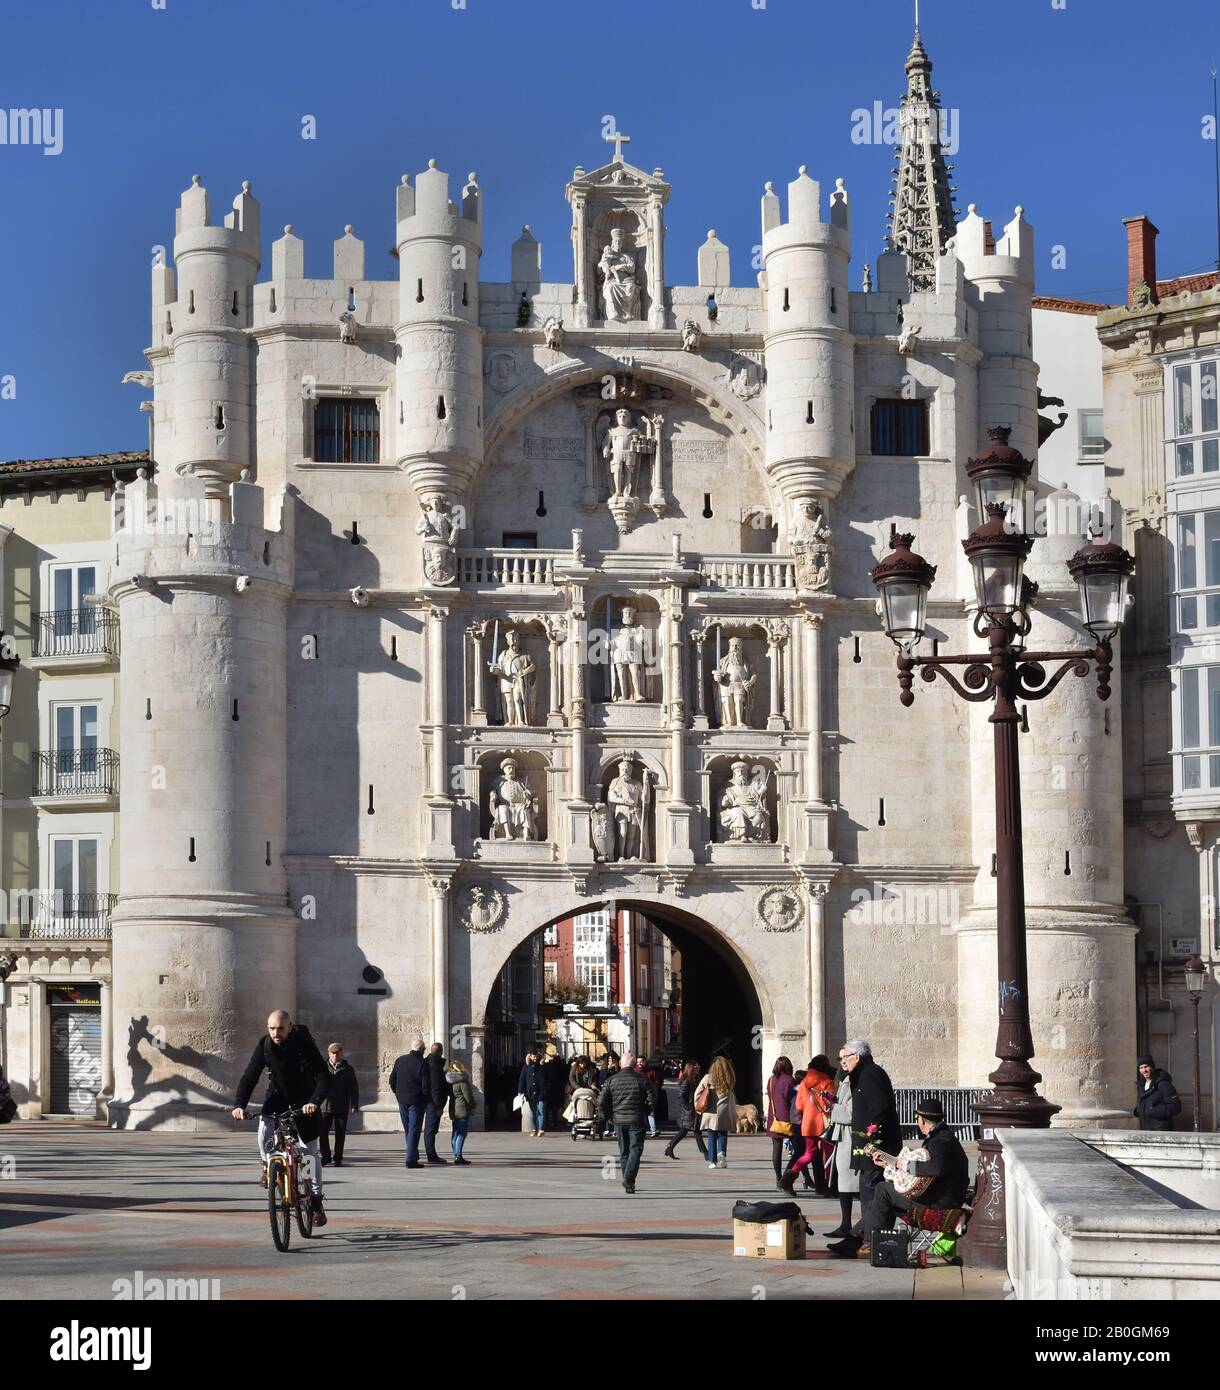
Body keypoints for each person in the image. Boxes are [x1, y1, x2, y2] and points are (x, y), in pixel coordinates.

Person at [232, 1010, 329, 1226]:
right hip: (277, 1096)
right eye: (272, 1028)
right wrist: (239, 1105)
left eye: (280, 1028)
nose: (276, 1033)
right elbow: (250, 1075)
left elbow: (323, 1075)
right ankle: (267, 1165)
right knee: (264, 1127)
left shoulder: (303, 1043)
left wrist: (314, 1101)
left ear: (290, 1027)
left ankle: (315, 1200)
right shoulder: (265, 1045)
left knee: (309, 1154)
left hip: (305, 1100)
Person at [827, 1040, 901, 1258]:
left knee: (871, 1192)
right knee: (872, 1193)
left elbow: (880, 1109)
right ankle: (861, 1239)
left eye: (844, 1058)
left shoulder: (871, 1075)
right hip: (868, 1147)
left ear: (857, 1057)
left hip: (876, 1149)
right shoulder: (862, 1074)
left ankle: (869, 1240)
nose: (841, 1063)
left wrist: (871, 1137)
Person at [866, 1097, 971, 1241]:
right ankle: (863, 1237)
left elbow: (935, 1169)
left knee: (883, 1190)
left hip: (941, 1203)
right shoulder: (943, 1136)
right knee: (888, 1194)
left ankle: (871, 1241)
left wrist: (904, 1165)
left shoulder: (940, 1141)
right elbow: (925, 1172)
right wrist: (888, 1164)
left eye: (917, 1118)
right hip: (944, 1197)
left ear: (922, 1121)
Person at [597, 1048, 653, 1193]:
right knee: (635, 1150)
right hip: (637, 1119)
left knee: (624, 1151)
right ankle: (629, 1180)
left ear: (621, 1064)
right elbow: (652, 1099)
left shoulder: (611, 1080)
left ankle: (628, 1180)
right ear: (634, 1065)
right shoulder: (642, 1079)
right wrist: (645, 1112)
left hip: (619, 1120)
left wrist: (607, 1116)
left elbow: (601, 1101)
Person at [783, 1055, 839, 1194]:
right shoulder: (827, 1081)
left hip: (808, 1123)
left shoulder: (804, 1082)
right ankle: (828, 1185)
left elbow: (799, 1105)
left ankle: (790, 1176)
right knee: (830, 1155)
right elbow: (831, 1106)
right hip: (825, 1125)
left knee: (809, 1153)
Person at [826, 1064, 858, 1238]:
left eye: (845, 1058)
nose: (842, 1062)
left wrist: (832, 1106)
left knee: (850, 1183)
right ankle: (846, 1223)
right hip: (843, 1138)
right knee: (844, 1182)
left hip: (850, 1137)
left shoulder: (854, 1082)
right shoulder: (845, 1081)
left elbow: (850, 1113)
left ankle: (851, 1225)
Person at [388, 1039, 428, 1168]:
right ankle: (411, 1160)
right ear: (422, 1050)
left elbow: (392, 1079)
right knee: (414, 1130)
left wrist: (397, 1092)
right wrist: (426, 1099)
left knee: (409, 1130)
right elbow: (426, 1086)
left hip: (402, 1100)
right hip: (416, 1101)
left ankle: (413, 1155)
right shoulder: (422, 1063)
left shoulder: (401, 1060)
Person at [319, 1041, 359, 1168]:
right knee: (322, 1133)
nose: (335, 1056)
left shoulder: (347, 1069)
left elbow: (353, 1088)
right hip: (325, 1106)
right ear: (329, 1053)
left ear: (341, 1053)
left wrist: (354, 1104)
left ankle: (338, 1158)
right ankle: (325, 1157)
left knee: (340, 1134)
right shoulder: (323, 1067)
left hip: (341, 1105)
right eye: (332, 1053)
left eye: (337, 1053)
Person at [695, 1055, 738, 1169]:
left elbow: (697, 1093)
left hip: (710, 1112)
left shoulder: (707, 1078)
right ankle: (722, 1153)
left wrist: (698, 1107)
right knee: (722, 1134)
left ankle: (712, 1161)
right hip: (723, 1111)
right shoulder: (729, 1079)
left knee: (711, 1135)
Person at [765, 1056, 799, 1190]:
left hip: (774, 1118)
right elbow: (792, 1100)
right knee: (798, 1149)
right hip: (788, 1118)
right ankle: (802, 1177)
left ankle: (778, 1178)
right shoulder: (790, 1080)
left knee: (776, 1149)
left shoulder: (771, 1080)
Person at [663, 1060, 706, 1158]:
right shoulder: (687, 1080)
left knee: (687, 1131)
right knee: (694, 1131)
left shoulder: (695, 1079)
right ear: (692, 1068)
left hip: (692, 1110)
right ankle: (706, 1153)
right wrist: (688, 1107)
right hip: (689, 1111)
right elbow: (681, 1095)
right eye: (696, 1066)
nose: (698, 1067)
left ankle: (670, 1148)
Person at [1134, 1054, 1182, 1131]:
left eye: (1146, 1066)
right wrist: (1138, 1110)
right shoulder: (1141, 1086)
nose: (1144, 1070)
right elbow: (1145, 1106)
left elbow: (1175, 1107)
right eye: (1141, 1068)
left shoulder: (1164, 1084)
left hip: (1161, 1130)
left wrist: (1152, 1110)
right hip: (1145, 1129)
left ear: (1152, 1067)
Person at [423, 1042, 450, 1164]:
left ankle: (430, 1153)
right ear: (441, 1051)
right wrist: (439, 1106)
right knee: (430, 1129)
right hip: (433, 1102)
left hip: (428, 1100)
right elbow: (435, 1087)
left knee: (430, 1129)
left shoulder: (428, 1062)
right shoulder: (434, 1065)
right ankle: (431, 1155)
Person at [447, 1058, 476, 1164]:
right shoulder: (462, 1082)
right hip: (462, 1109)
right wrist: (473, 1105)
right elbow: (468, 1097)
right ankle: (458, 1156)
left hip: (454, 1108)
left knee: (455, 1132)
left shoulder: (450, 1082)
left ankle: (456, 1153)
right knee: (461, 1133)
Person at [518, 1051, 548, 1137]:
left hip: (541, 1093)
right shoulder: (526, 1067)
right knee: (532, 1113)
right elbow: (522, 1080)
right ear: (530, 1057)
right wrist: (520, 1091)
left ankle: (541, 1129)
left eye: (536, 1056)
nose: (535, 1058)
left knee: (541, 1111)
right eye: (533, 1056)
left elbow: (548, 1079)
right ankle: (535, 1129)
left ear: (539, 1057)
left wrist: (546, 1090)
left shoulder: (543, 1067)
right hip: (530, 1093)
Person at [544, 1050, 567, 1129]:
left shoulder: (549, 1067)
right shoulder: (561, 1068)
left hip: (550, 1089)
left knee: (548, 1107)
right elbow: (564, 1078)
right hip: (558, 1089)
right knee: (555, 1108)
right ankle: (554, 1120)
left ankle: (547, 1120)